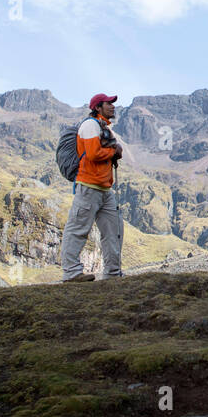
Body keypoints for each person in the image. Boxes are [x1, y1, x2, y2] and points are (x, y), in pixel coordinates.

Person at [61, 93, 125, 282]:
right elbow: (94, 153)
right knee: (78, 229)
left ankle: (112, 273)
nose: (113, 107)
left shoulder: (103, 127)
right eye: (109, 104)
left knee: (114, 230)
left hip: (105, 190)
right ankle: (71, 273)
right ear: (98, 107)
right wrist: (115, 150)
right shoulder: (90, 125)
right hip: (88, 187)